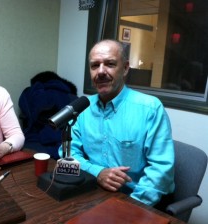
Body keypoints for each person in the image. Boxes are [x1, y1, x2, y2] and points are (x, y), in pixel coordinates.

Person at [59, 39, 175, 206]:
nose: (100, 71)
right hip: (93, 192)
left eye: (110, 64)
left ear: (126, 68)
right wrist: (98, 173)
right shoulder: (83, 108)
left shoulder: (150, 108)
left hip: (136, 199)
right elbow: (67, 152)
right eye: (94, 66)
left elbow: (161, 171)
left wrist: (130, 207)